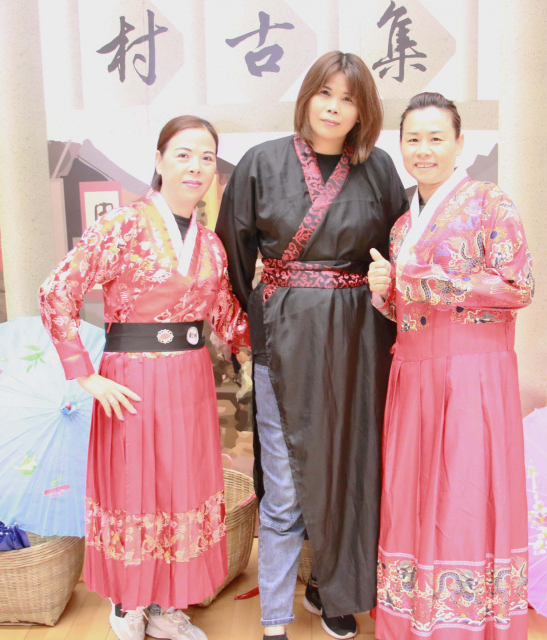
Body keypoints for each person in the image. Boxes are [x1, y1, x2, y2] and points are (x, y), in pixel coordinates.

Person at [216, 51, 409, 640]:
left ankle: (334, 593)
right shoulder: (260, 162)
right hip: (285, 337)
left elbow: (400, 250)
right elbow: (231, 254)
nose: (333, 107)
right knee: (284, 480)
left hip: (359, 340)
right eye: (325, 93)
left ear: (363, 111)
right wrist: (259, 319)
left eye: (348, 98)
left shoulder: (378, 170)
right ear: (306, 96)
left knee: (353, 466)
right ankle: (275, 617)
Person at [39, 116, 250, 640]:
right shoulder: (124, 226)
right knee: (136, 487)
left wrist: (288, 311)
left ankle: (167, 606)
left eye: (206, 157)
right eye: (183, 154)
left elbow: (228, 318)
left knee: (181, 486)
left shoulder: (211, 245)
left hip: (191, 379)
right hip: (131, 378)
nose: (196, 167)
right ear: (159, 160)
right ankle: (128, 604)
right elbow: (57, 290)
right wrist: (85, 375)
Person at [368, 92, 534, 639]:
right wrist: (384, 291)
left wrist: (433, 282)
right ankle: (412, 618)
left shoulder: (490, 203)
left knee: (465, 491)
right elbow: (405, 310)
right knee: (412, 494)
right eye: (413, 139)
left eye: (436, 138)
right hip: (414, 371)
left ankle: (468, 624)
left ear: (459, 143)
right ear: (400, 146)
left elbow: (518, 287)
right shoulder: (401, 227)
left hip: (473, 372)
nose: (424, 149)